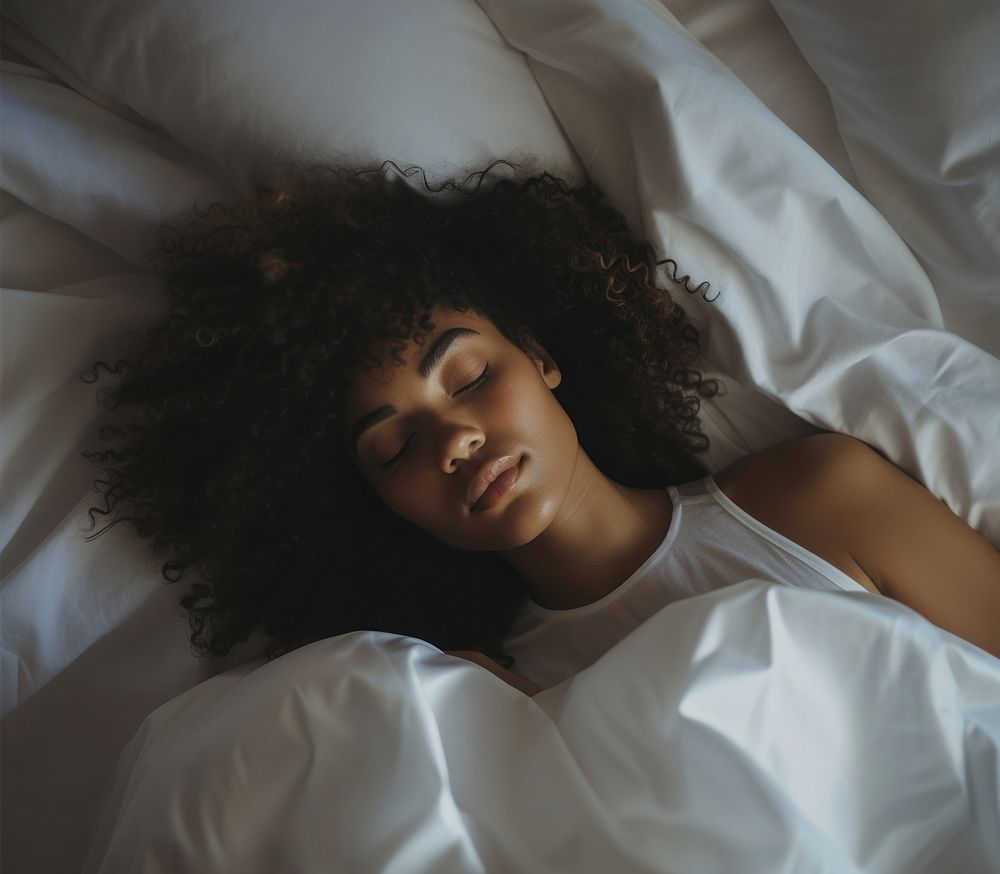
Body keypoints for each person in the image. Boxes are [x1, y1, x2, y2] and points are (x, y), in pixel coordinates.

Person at [80, 157, 1000, 695]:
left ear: (542, 356)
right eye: (394, 447)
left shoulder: (817, 497)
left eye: (469, 376)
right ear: (375, 506)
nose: (454, 441)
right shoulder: (477, 697)